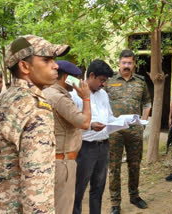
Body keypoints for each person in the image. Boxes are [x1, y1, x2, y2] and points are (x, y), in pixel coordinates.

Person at [0, 35, 70, 213]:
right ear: (24, 66)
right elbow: (37, 186)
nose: (56, 65)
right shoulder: (35, 107)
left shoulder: (4, 99)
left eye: (54, 59)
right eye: (46, 59)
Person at [43, 60, 91, 214]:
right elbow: (84, 122)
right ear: (66, 78)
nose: (79, 82)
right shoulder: (59, 98)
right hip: (62, 162)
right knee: (63, 208)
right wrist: (86, 98)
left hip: (56, 159)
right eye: (76, 78)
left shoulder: (48, 93)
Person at [106, 50, 151, 214]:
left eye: (129, 63)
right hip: (115, 131)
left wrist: (143, 123)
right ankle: (115, 203)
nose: (126, 66)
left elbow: (147, 103)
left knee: (134, 165)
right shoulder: (109, 81)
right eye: (124, 63)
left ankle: (134, 196)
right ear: (119, 63)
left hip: (134, 131)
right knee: (114, 167)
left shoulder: (140, 82)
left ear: (134, 64)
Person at [71, 59, 114, 214]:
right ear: (91, 76)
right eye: (102, 80)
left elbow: (109, 117)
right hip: (85, 148)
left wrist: (123, 121)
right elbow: (72, 123)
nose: (103, 84)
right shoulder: (74, 94)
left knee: (98, 188)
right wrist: (90, 126)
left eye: (105, 81)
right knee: (78, 189)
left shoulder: (104, 95)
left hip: (103, 146)